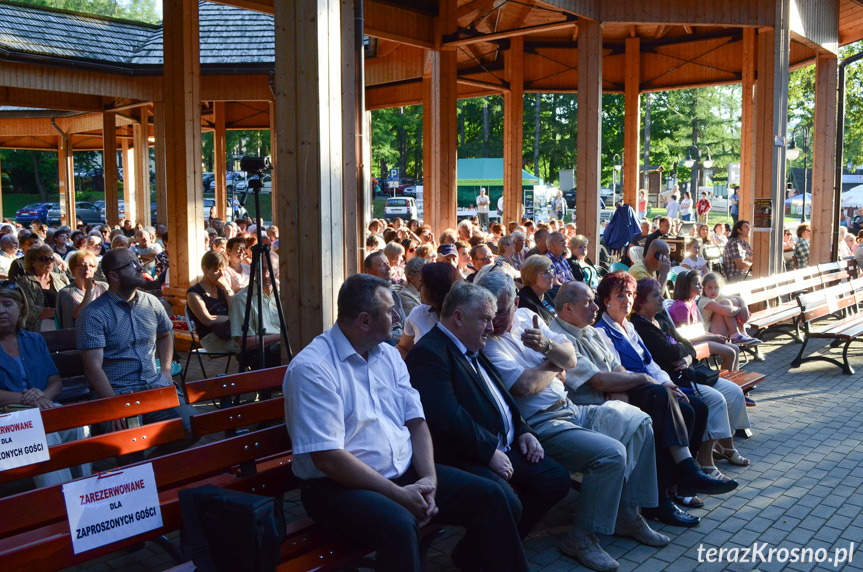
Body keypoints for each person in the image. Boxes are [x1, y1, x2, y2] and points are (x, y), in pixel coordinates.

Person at [282, 274, 530, 572]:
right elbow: (328, 458)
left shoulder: (387, 354)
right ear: (364, 321)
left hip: (403, 472)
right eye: (390, 310)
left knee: (493, 498)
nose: (399, 315)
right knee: (401, 525)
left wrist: (429, 480)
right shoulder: (314, 368)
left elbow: (416, 421)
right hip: (337, 488)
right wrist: (399, 495)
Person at [477, 273, 668, 570]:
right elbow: (524, 386)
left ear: (516, 302)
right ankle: (580, 537)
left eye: (503, 310)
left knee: (641, 422)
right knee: (610, 455)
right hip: (541, 424)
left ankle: (628, 515)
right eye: (491, 311)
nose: (497, 319)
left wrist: (549, 350)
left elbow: (572, 360)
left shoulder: (528, 316)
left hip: (572, 409)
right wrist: (554, 361)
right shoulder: (489, 342)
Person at [405, 282, 571, 543]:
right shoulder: (429, 353)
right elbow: (446, 417)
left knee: (555, 479)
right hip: (466, 454)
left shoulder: (470, 344)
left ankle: (477, 552)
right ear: (458, 317)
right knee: (505, 501)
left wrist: (523, 431)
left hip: (502, 446)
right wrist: (488, 452)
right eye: (485, 319)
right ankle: (491, 554)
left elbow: (501, 399)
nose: (492, 328)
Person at [589, 274, 738, 519]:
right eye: (620, 295)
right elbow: (616, 372)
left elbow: (651, 364)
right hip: (630, 391)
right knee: (671, 404)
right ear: (606, 301)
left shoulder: (629, 327)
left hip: (652, 388)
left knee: (696, 408)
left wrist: (669, 383)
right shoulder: (602, 332)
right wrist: (661, 386)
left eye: (630, 294)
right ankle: (666, 493)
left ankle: (681, 486)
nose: (627, 300)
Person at [632, 278, 751, 482]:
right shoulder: (640, 326)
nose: (662, 298)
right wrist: (683, 352)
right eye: (656, 295)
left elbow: (686, 345)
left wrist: (686, 356)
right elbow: (668, 352)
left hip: (690, 370)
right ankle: (705, 460)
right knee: (715, 400)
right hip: (676, 379)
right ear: (641, 301)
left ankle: (726, 445)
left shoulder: (659, 318)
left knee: (734, 391)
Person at [77, 248, 196, 444]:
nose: (140, 267)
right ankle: (141, 471)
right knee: (131, 444)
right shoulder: (94, 314)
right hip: (119, 392)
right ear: (113, 276)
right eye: (131, 264)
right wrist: (113, 404)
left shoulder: (151, 303)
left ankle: (156, 471)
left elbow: (165, 334)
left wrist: (165, 371)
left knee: (194, 426)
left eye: (138, 261)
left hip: (154, 386)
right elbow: (92, 367)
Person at [0, 282, 90, 487]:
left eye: (7, 304)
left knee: (77, 428)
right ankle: (62, 502)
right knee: (43, 434)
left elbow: (55, 382)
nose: (1, 311)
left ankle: (83, 489)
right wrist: (27, 399)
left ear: (21, 308)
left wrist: (41, 399)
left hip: (41, 409)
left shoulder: (33, 340)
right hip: (7, 421)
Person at [396, 262, 462, 358]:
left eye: (422, 284)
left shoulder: (465, 316)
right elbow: (403, 348)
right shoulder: (418, 313)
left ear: (437, 288)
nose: (418, 289)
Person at [229, 264, 282, 369]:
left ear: (278, 271)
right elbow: (244, 343)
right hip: (262, 354)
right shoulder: (242, 299)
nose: (266, 275)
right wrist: (282, 336)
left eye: (271, 269)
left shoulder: (286, 295)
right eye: (262, 269)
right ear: (254, 270)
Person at [187, 251, 238, 355]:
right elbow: (207, 320)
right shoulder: (194, 293)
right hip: (210, 337)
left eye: (223, 270)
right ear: (205, 269)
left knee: (255, 342)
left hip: (230, 332)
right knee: (248, 345)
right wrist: (232, 318)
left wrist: (226, 287)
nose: (221, 275)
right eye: (217, 270)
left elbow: (235, 309)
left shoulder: (221, 289)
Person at [17, 244, 70, 332]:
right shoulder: (25, 281)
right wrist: (59, 311)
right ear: (33, 262)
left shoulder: (61, 278)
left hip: (65, 320)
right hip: (40, 324)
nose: (49, 262)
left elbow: (71, 299)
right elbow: (29, 310)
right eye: (44, 259)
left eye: (51, 258)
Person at [699, 272, 759, 346]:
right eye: (710, 287)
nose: (713, 291)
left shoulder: (717, 296)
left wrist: (744, 307)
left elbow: (739, 298)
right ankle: (735, 336)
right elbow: (728, 311)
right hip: (710, 334)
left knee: (735, 301)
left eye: (716, 287)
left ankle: (743, 333)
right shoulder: (704, 301)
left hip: (718, 329)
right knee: (725, 302)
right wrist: (741, 310)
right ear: (703, 288)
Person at [56, 250, 107, 329]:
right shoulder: (66, 293)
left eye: (91, 266)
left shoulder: (104, 287)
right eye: (83, 265)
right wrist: (89, 289)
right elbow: (81, 316)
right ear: (73, 270)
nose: (87, 269)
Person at [364, 251, 407, 341]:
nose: (388, 268)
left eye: (388, 263)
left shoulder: (394, 293)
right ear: (368, 271)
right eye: (382, 264)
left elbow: (404, 322)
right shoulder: (367, 297)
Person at [518, 255, 556, 324]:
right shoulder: (523, 303)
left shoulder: (550, 294)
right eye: (545, 273)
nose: (551, 276)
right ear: (531, 276)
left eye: (551, 271)